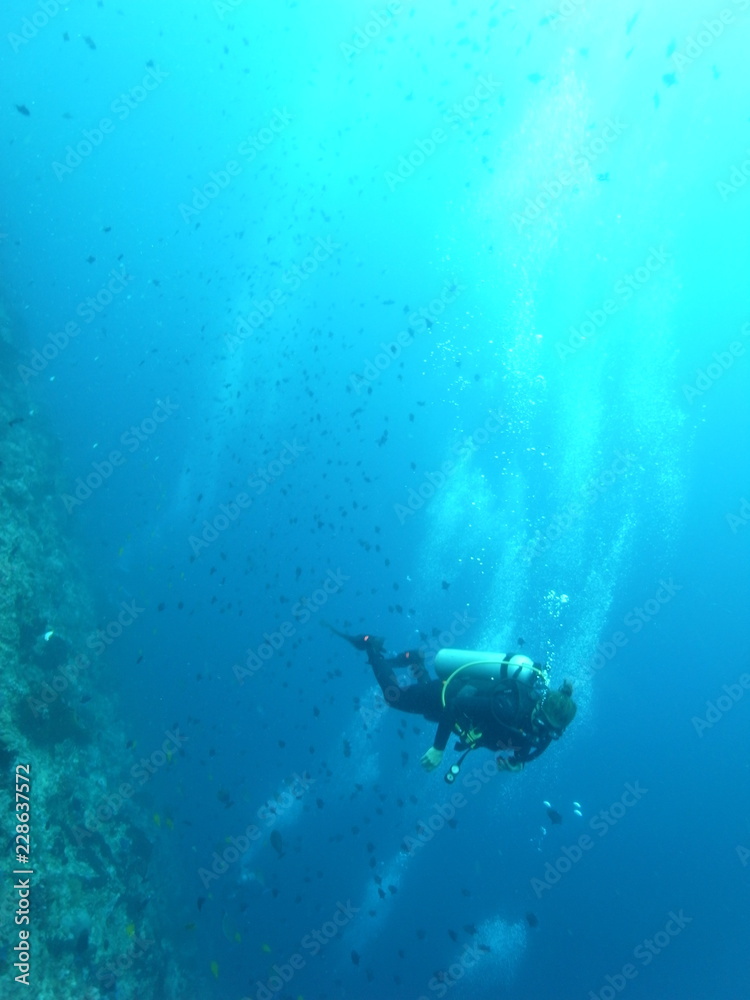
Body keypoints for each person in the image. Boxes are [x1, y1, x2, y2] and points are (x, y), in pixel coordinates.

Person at [327, 626, 576, 778]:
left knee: (425, 706)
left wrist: (516, 763)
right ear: (540, 711)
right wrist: (438, 748)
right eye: (543, 724)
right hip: (450, 695)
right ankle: (371, 646)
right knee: (396, 698)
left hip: (462, 718)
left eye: (552, 731)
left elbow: (528, 746)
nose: (544, 732)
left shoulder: (543, 731)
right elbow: (456, 705)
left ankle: (416, 661)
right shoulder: (508, 708)